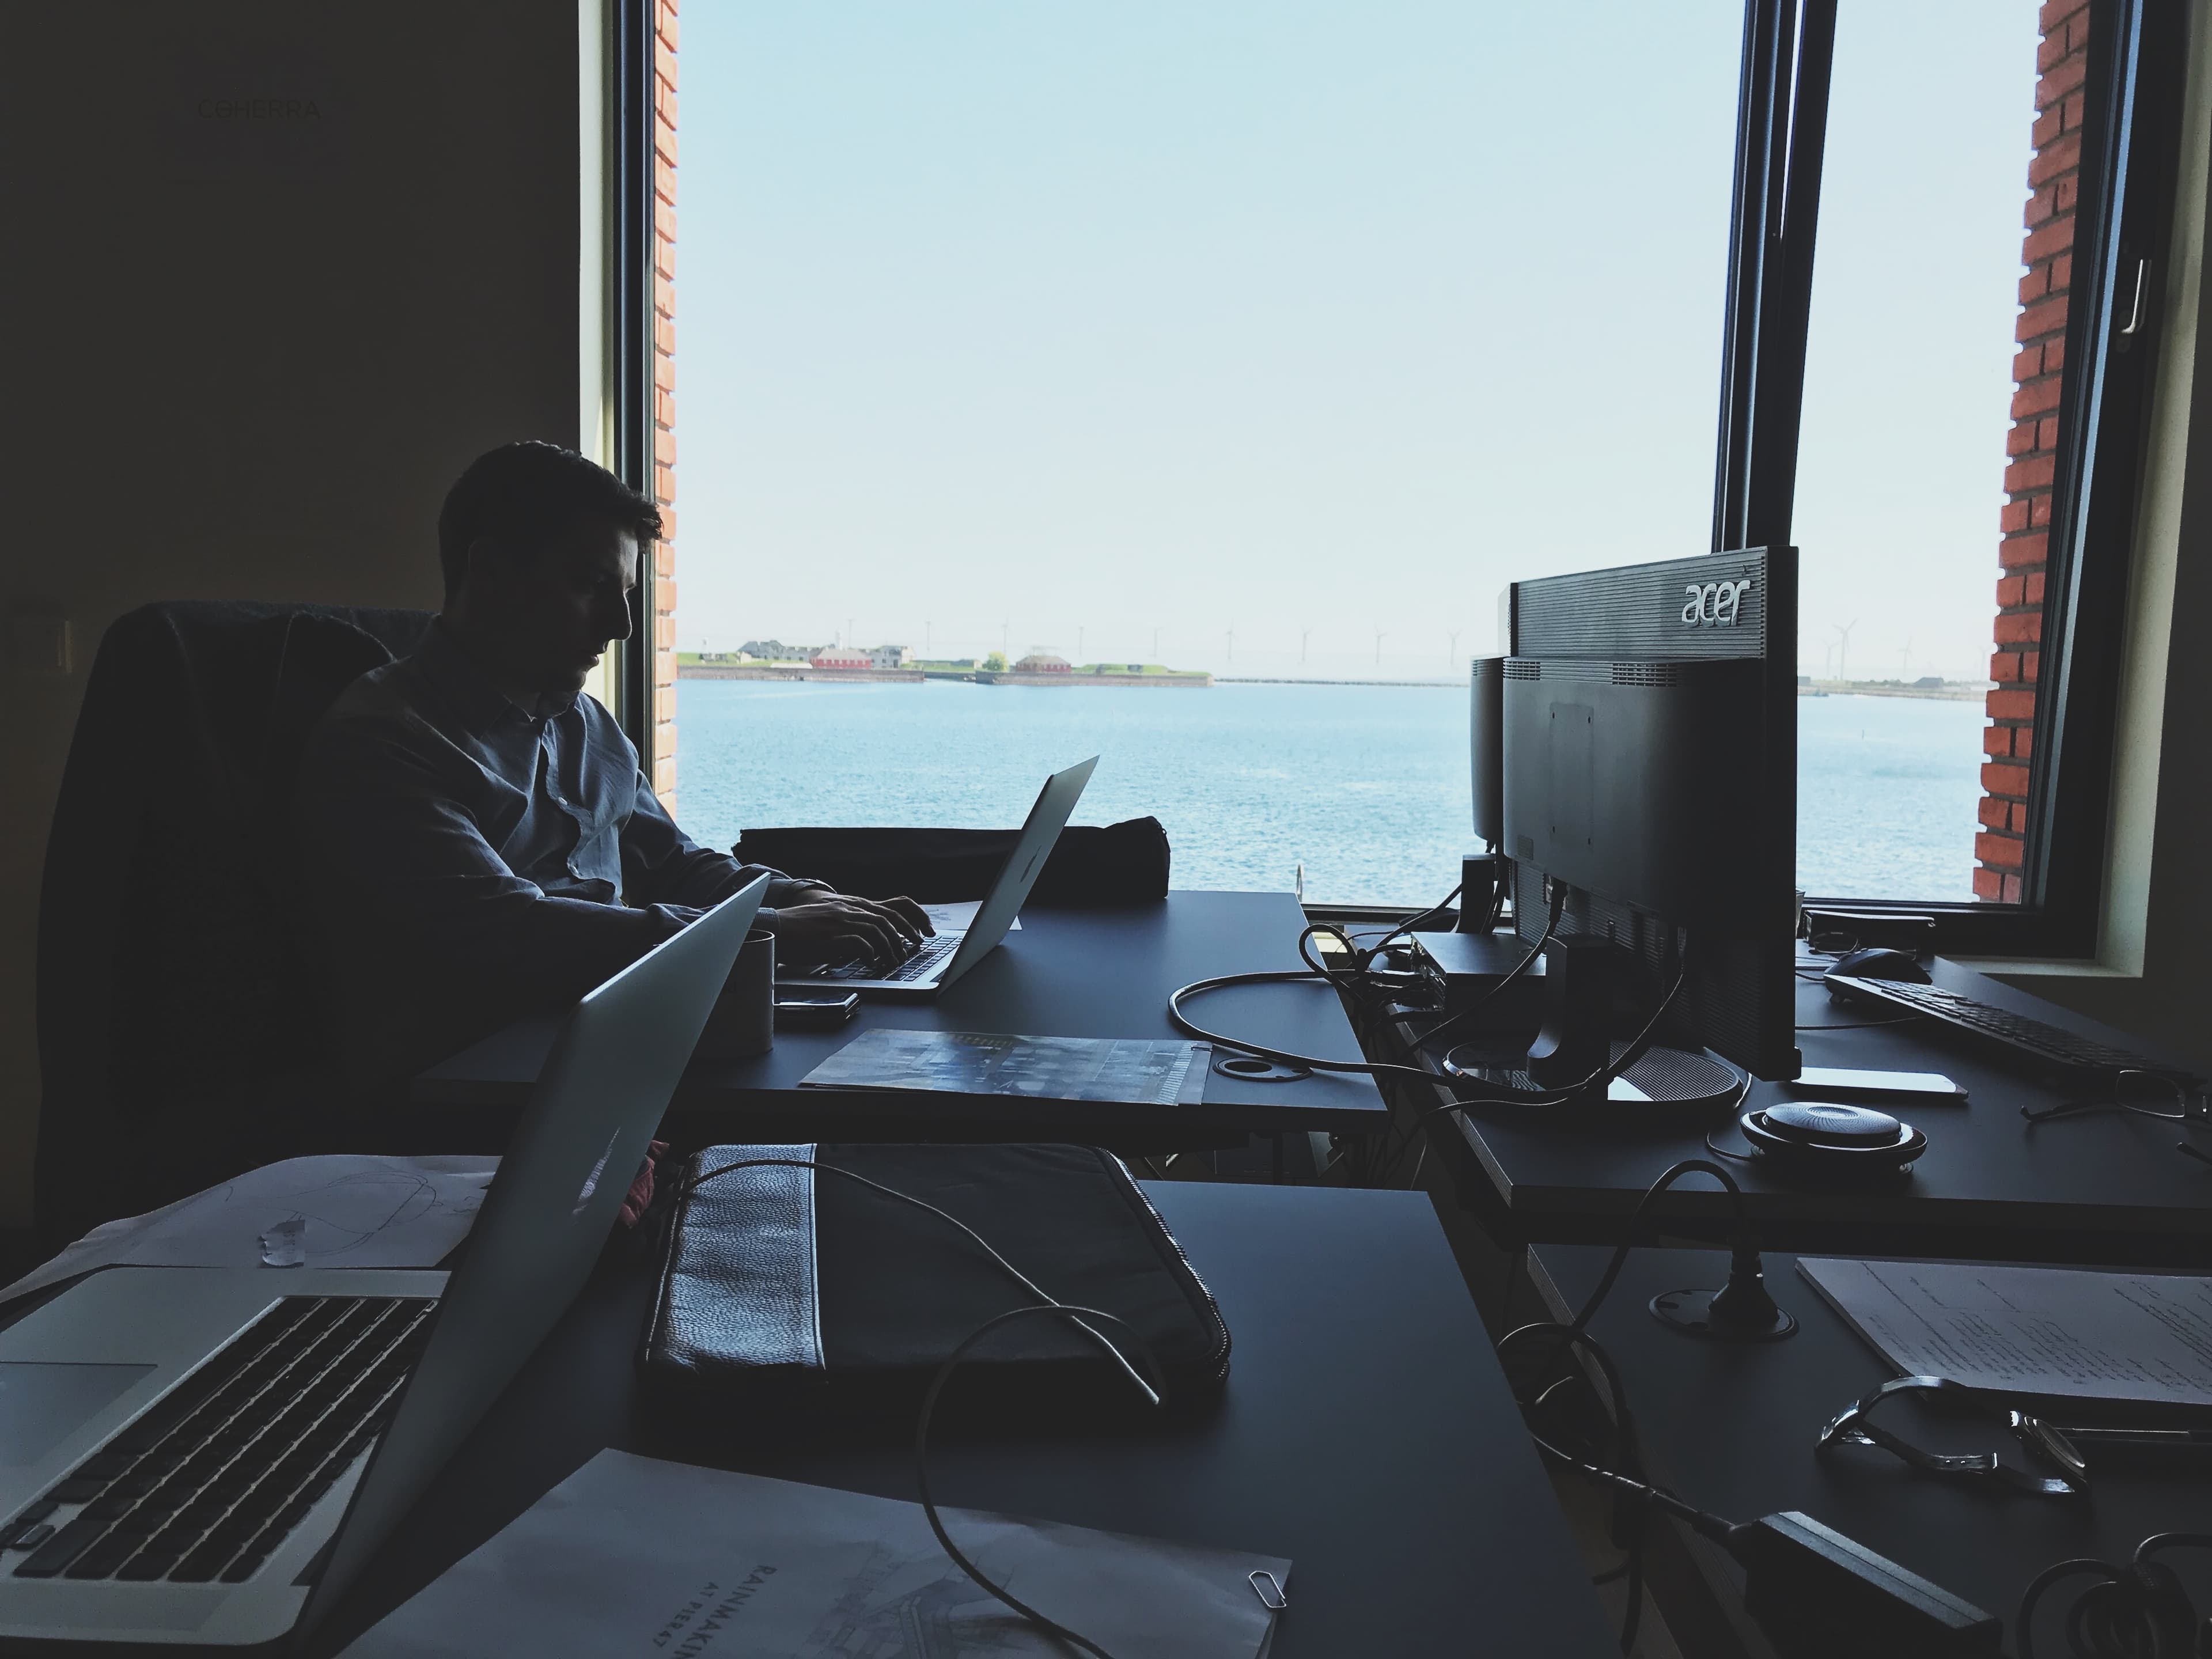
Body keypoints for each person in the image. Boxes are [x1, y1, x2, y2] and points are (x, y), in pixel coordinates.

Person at [293, 440, 930, 1085]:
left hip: (611, 1039)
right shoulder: (383, 742)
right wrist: (773, 930)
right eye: (592, 585)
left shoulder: (584, 721)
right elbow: (512, 933)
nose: (622, 625)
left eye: (623, 591)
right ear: (488, 573)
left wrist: (810, 899)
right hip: (476, 1090)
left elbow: (674, 865)